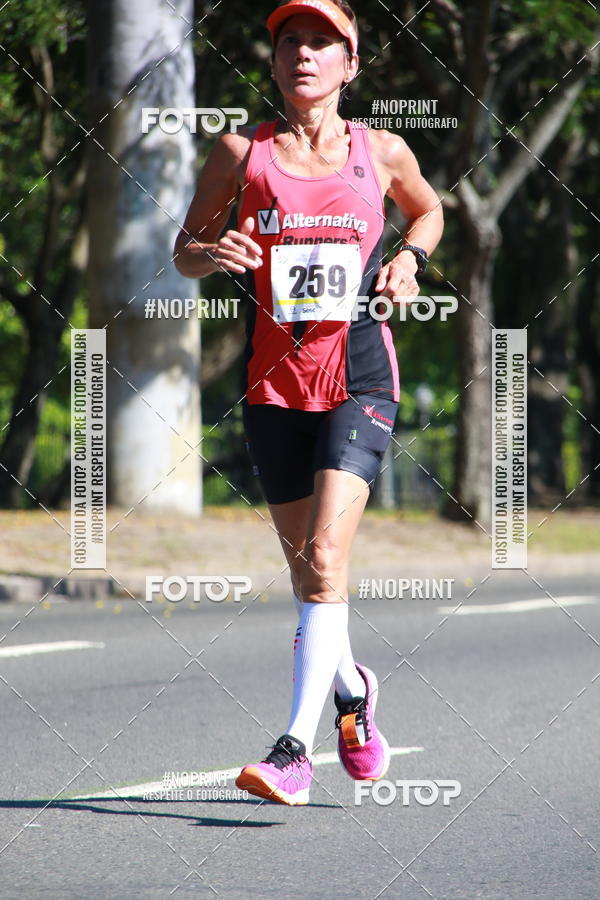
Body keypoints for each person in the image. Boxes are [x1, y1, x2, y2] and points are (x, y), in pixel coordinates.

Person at [174, 0, 443, 805]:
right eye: (290, 39)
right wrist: (210, 250)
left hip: (359, 377)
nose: (303, 53)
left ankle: (293, 748)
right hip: (273, 388)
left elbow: (427, 210)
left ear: (350, 63)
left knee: (325, 560)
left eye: (322, 42)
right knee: (308, 574)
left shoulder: (382, 152)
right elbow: (185, 250)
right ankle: (354, 692)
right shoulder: (240, 153)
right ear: (276, 59)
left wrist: (410, 260)